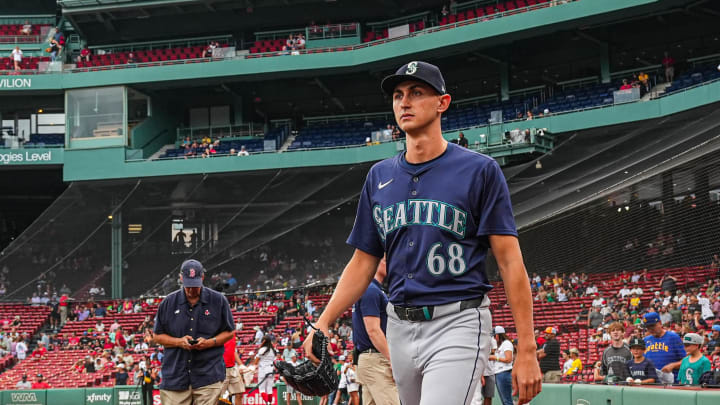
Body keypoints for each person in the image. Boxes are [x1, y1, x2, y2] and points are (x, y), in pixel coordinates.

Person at [303, 60, 541, 405]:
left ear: (442, 103)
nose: (405, 102)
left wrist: (527, 347)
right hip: (398, 324)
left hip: (458, 320)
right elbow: (363, 260)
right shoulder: (379, 176)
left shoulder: (479, 171)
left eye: (416, 93)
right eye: (398, 95)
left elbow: (509, 262)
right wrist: (323, 321)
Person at [152, 259, 235, 405]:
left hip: (208, 374)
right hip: (175, 376)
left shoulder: (218, 300)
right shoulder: (168, 303)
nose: (191, 290)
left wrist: (210, 342)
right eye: (188, 286)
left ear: (202, 277)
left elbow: (229, 332)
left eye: (195, 286)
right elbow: (157, 336)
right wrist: (179, 342)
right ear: (181, 278)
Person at [351, 257, 400, 405]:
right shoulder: (371, 290)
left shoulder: (370, 289)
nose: (389, 263)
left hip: (370, 359)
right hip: (376, 360)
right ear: (375, 262)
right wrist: (392, 359)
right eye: (385, 260)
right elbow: (373, 330)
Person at [642, 312, 685, 383]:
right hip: (652, 383)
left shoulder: (673, 337)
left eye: (652, 326)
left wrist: (673, 365)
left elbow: (686, 361)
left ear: (660, 323)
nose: (650, 329)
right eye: (648, 327)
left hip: (671, 383)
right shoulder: (646, 340)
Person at [220, 333, 245, 405]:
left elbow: (233, 350)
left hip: (233, 368)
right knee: (218, 397)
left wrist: (241, 365)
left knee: (239, 393)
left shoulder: (232, 332)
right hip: (221, 368)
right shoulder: (218, 330)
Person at [491, 326, 514, 405]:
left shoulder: (506, 343)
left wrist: (495, 357)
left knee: (507, 400)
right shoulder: (500, 345)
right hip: (500, 373)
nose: (494, 338)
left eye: (494, 336)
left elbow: (508, 359)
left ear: (497, 335)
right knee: (505, 400)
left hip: (504, 372)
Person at [254, 335, 277, 405]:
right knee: (270, 389)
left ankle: (267, 403)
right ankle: (269, 403)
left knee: (262, 389)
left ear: (263, 341)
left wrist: (260, 347)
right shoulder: (273, 350)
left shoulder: (262, 349)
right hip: (270, 370)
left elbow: (256, 361)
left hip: (262, 370)